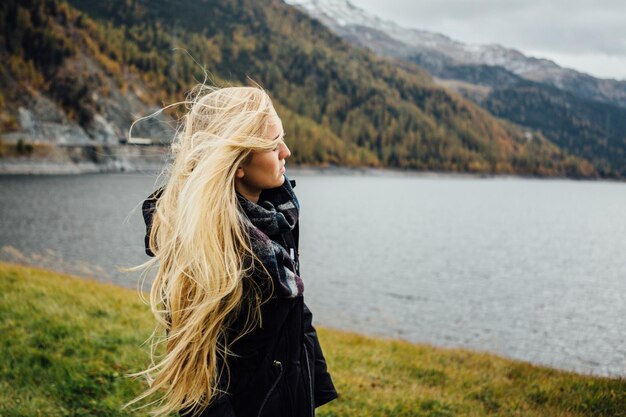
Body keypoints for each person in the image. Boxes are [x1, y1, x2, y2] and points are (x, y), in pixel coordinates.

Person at [126, 85, 338, 417]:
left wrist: (314, 391)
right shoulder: (208, 248)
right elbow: (201, 381)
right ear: (237, 162)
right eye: (272, 144)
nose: (286, 151)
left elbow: (295, 310)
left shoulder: (274, 217)